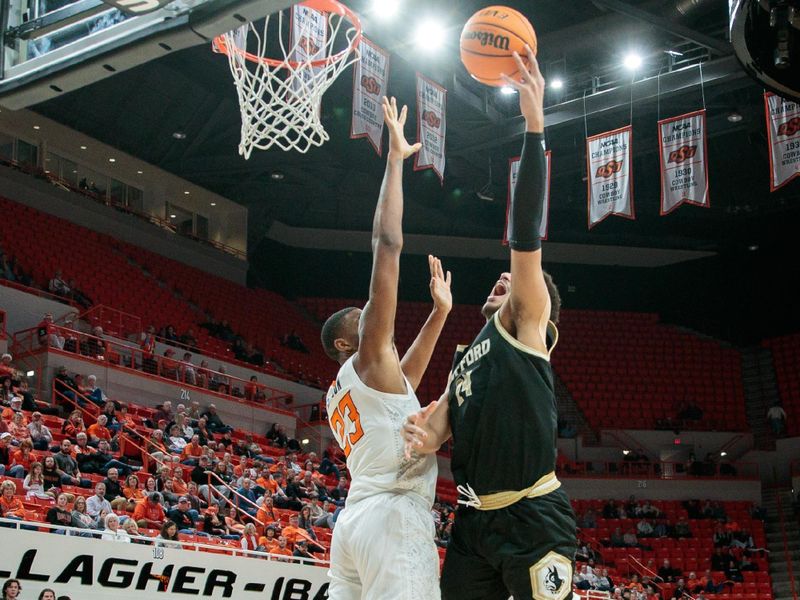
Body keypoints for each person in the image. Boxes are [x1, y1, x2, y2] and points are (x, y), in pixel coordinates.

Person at [402, 48, 576, 600]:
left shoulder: (524, 324)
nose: (504, 278)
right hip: (473, 524)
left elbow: (525, 234)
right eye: (501, 277)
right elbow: (440, 429)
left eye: (515, 279)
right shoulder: (468, 354)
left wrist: (534, 126)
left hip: (532, 518)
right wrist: (423, 435)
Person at [319, 96, 450, 600]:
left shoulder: (351, 387)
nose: (371, 315)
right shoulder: (366, 356)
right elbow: (387, 244)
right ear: (347, 342)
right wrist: (395, 160)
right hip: (393, 516)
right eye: (363, 316)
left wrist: (439, 313)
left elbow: (407, 380)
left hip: (354, 525)